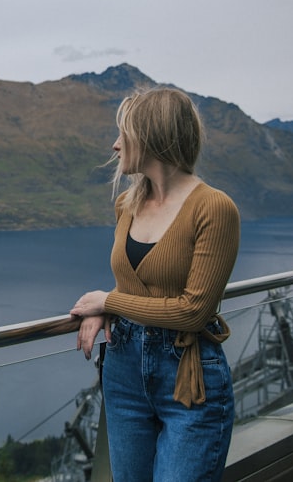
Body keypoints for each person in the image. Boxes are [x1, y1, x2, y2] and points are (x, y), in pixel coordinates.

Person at [69, 86, 240, 482]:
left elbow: (193, 311)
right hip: (123, 370)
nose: (114, 146)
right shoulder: (127, 204)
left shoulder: (214, 208)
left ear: (152, 136)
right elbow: (135, 284)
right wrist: (108, 307)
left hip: (189, 379)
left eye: (122, 134)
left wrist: (109, 302)